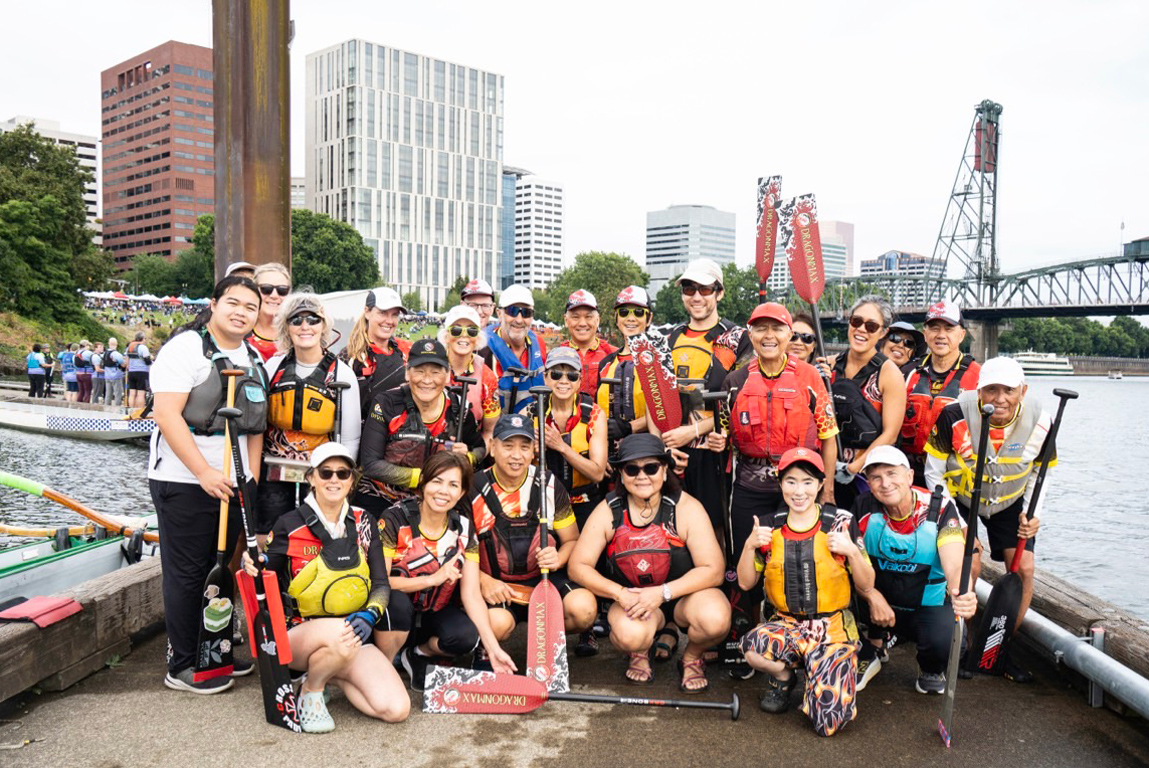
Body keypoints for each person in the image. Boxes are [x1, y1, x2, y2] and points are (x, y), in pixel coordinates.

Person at [148, 275, 268, 693]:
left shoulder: (253, 356)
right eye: (233, 302)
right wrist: (202, 472)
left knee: (221, 570)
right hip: (184, 479)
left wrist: (250, 478)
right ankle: (183, 663)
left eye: (250, 307)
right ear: (214, 304)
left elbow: (255, 427)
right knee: (188, 572)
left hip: (233, 482)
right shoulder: (185, 348)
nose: (241, 312)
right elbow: (167, 415)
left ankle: (214, 651)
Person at [243, 442, 409, 730]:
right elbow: (264, 573)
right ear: (311, 478)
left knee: (397, 709)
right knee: (341, 634)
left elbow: (381, 583)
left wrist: (369, 615)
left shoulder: (365, 521)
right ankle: (311, 688)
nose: (334, 480)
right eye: (326, 472)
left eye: (343, 473)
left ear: (352, 480)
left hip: (350, 636)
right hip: (298, 634)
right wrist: (252, 563)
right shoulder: (288, 524)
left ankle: (331, 673)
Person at [924, 356, 1053, 684]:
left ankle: (999, 648)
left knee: (1024, 568)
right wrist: (958, 522)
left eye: (1008, 390)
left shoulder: (1042, 420)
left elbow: (1041, 473)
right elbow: (933, 474)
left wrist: (1033, 514)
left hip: (1009, 500)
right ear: (978, 391)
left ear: (1023, 391)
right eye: (991, 390)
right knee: (969, 564)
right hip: (961, 497)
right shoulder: (953, 414)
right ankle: (966, 644)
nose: (1000, 398)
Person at [568, 433, 730, 692]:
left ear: (664, 471)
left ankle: (692, 657)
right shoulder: (609, 510)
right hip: (631, 600)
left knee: (715, 618)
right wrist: (619, 593)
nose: (642, 476)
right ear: (621, 475)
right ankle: (639, 652)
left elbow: (714, 570)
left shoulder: (686, 508)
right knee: (630, 635)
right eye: (632, 469)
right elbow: (578, 566)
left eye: (651, 467)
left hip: (683, 598)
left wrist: (661, 593)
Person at [736, 447, 874, 736]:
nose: (799, 491)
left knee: (829, 723)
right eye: (791, 481)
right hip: (787, 625)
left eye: (808, 482)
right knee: (752, 648)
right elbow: (746, 583)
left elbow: (867, 585)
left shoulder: (841, 522)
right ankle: (784, 678)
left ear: (821, 484)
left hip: (831, 628)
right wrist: (749, 546)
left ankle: (820, 672)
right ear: (780, 483)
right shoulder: (768, 526)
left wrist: (851, 551)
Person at [721, 303, 839, 614]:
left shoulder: (810, 377)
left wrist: (827, 490)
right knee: (747, 556)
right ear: (750, 335)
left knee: (799, 557)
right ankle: (747, 622)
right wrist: (717, 439)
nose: (769, 336)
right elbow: (723, 433)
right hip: (750, 485)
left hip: (799, 486)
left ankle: (796, 619)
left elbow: (828, 436)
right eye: (761, 328)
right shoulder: (735, 382)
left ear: (789, 334)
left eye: (777, 328)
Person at [376, 452, 517, 690]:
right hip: (393, 617)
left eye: (453, 485)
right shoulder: (394, 519)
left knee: (466, 637)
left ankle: (418, 654)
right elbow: (380, 581)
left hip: (432, 614)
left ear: (461, 493)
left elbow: (471, 595)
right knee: (395, 603)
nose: (443, 491)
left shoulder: (464, 528)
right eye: (437, 481)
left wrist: (493, 649)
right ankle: (384, 666)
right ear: (423, 484)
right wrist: (432, 579)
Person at [469, 414, 597, 662]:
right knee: (496, 624)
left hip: (544, 581)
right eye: (508, 446)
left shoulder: (548, 484)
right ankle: (485, 647)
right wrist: (483, 581)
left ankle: (544, 642)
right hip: (498, 584)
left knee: (584, 610)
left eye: (524, 447)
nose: (516, 455)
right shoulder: (473, 487)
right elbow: (456, 551)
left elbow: (572, 540)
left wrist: (558, 558)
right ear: (492, 448)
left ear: (533, 452)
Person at [851, 445, 977, 694]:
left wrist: (962, 592)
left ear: (909, 476)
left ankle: (930, 667)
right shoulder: (863, 506)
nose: (885, 483)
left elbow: (955, 563)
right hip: (878, 603)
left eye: (892, 474)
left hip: (925, 605)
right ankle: (872, 646)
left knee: (948, 641)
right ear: (869, 483)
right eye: (876, 477)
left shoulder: (941, 508)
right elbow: (852, 557)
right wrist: (871, 596)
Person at [525, 347, 609, 656]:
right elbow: (518, 462)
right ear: (545, 377)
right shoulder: (531, 411)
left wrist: (560, 446)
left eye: (571, 375)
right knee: (546, 558)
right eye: (556, 373)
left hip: (584, 499)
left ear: (580, 380)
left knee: (586, 563)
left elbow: (597, 471)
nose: (563, 380)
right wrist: (533, 451)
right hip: (544, 502)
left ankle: (588, 627)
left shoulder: (594, 414)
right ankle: (543, 618)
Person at [261, 293, 362, 543]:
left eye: (313, 319)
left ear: (324, 325)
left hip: (321, 473)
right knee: (269, 538)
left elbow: (350, 438)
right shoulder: (273, 368)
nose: (305, 326)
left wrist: (340, 480)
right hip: (273, 470)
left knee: (315, 539)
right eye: (296, 320)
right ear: (286, 327)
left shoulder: (341, 374)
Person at [659, 258, 748, 535]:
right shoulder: (668, 339)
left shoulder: (738, 338)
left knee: (716, 529)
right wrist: (664, 444)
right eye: (689, 289)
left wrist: (694, 431)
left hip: (715, 452)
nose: (696, 297)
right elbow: (655, 399)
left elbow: (743, 402)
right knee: (672, 529)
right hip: (672, 451)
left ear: (719, 293)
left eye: (705, 289)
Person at [358, 338, 484, 515]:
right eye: (419, 371)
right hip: (382, 497)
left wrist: (467, 458)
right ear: (407, 373)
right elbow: (371, 464)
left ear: (448, 375)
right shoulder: (386, 404)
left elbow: (480, 449)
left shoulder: (459, 408)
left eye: (435, 372)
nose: (427, 380)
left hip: (438, 500)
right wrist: (424, 478)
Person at [821, 295, 906, 510]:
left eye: (871, 326)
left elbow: (890, 434)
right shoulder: (829, 365)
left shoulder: (889, 373)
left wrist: (854, 467)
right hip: (826, 469)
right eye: (856, 321)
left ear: (883, 332)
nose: (861, 330)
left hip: (866, 473)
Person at [899, 300, 980, 485]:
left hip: (953, 475)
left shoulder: (979, 378)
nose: (941, 335)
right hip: (909, 472)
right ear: (925, 333)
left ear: (962, 335)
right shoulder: (907, 373)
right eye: (934, 328)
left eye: (949, 329)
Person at [596, 286, 655, 447]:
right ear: (616, 318)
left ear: (649, 318)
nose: (631, 318)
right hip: (608, 450)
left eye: (638, 312)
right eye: (624, 312)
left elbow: (667, 412)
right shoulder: (606, 364)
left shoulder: (659, 360)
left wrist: (629, 427)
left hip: (646, 448)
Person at [342, 287, 412, 421]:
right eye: (382, 313)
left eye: (395, 315)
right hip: (364, 430)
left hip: (402, 429)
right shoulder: (349, 356)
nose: (389, 321)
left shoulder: (407, 350)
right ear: (367, 312)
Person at [438, 304, 499, 442]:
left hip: (471, 448)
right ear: (446, 336)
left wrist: (473, 453)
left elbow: (489, 432)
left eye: (472, 331)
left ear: (477, 338)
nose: (464, 335)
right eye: (456, 330)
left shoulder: (487, 377)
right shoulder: (430, 367)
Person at [487, 284, 547, 414]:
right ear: (499, 313)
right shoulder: (484, 350)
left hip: (534, 423)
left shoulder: (539, 344)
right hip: (498, 424)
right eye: (512, 311)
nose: (519, 320)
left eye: (526, 313)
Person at [559, 290, 616, 398]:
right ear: (566, 320)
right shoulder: (555, 356)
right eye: (575, 317)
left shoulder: (614, 355)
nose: (582, 323)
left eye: (588, 317)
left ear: (597, 320)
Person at [249, 262, 292, 361]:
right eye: (266, 289)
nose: (274, 295)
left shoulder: (298, 330)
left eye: (282, 290)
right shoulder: (240, 329)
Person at [126, 332, 152, 409]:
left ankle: (131, 409)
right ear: (142, 339)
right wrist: (151, 360)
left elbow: (127, 360)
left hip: (131, 371)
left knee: (132, 393)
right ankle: (139, 410)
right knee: (141, 393)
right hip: (142, 371)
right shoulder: (143, 347)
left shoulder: (130, 347)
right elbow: (147, 360)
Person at [103, 338, 126, 406]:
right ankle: (117, 407)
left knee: (108, 393)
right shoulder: (116, 354)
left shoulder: (105, 353)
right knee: (117, 393)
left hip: (107, 375)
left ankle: (107, 406)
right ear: (116, 344)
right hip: (116, 375)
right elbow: (123, 364)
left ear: (109, 343)